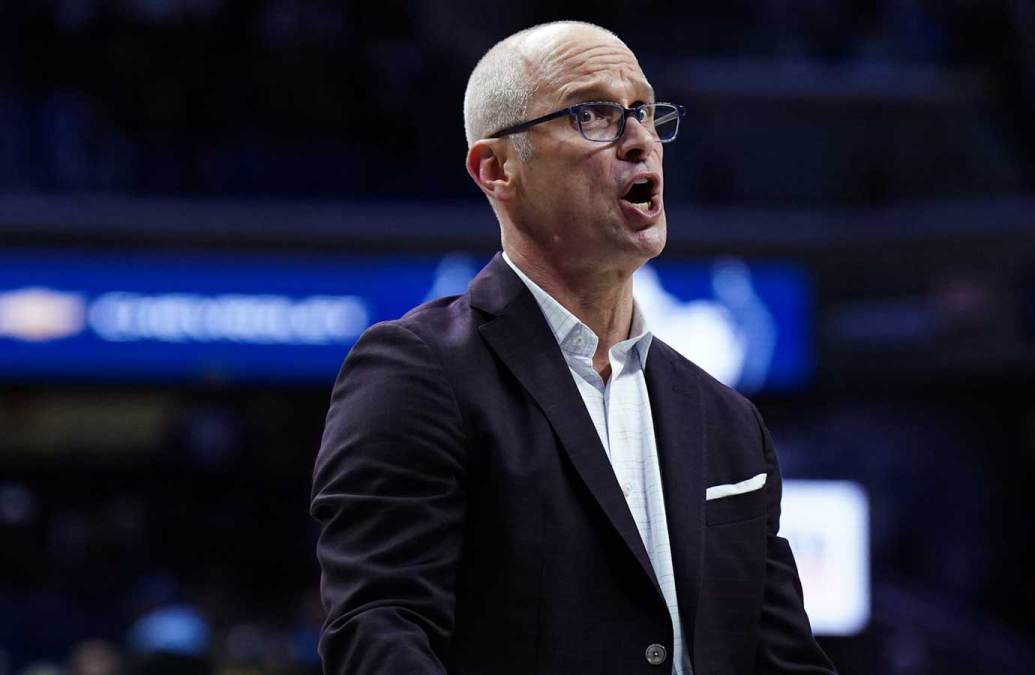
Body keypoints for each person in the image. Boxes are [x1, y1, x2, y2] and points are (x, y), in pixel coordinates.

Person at [310, 20, 836, 675]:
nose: (639, 139)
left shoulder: (729, 422)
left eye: (643, 111)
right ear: (497, 169)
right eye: (594, 114)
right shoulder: (416, 374)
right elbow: (379, 632)